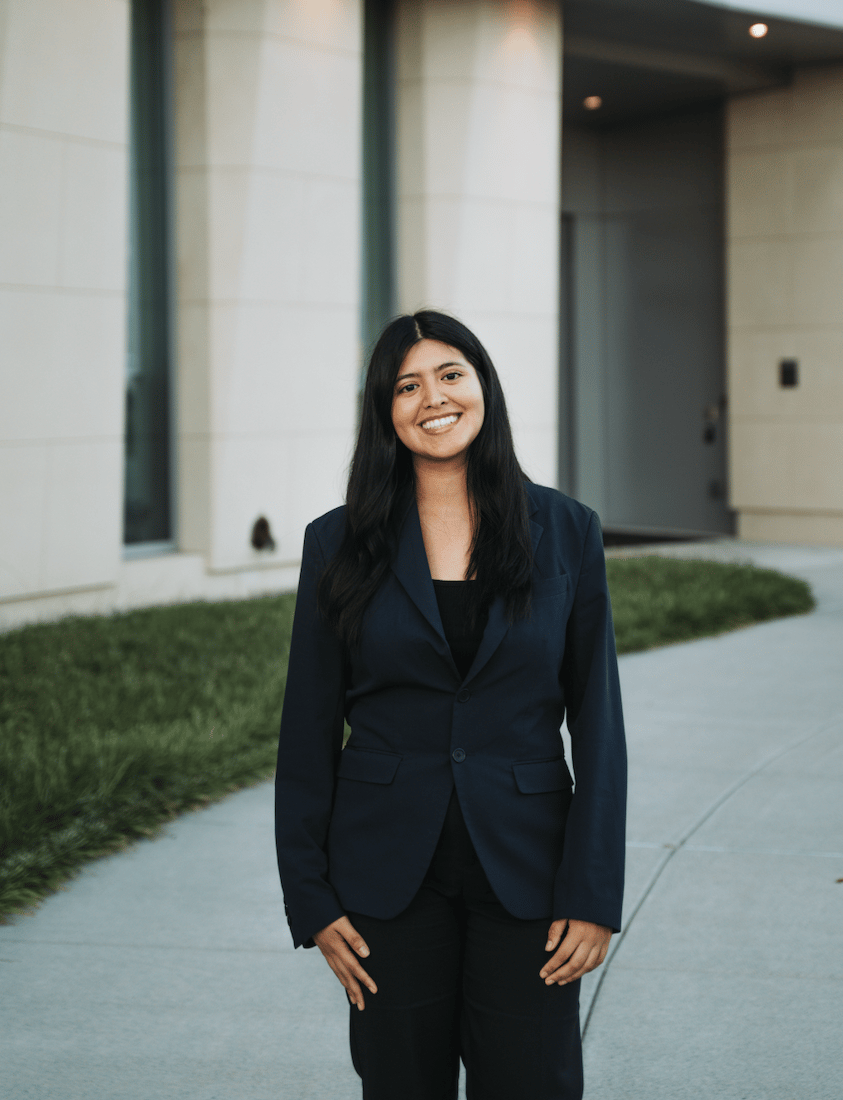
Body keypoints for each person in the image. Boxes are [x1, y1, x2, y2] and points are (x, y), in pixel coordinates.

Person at [275, 310, 627, 1100]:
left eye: (450, 374)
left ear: (483, 387)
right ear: (385, 413)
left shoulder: (567, 531)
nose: (432, 398)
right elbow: (306, 729)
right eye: (406, 386)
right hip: (384, 881)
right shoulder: (337, 543)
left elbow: (600, 724)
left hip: (530, 875)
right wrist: (311, 898)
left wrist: (594, 892)